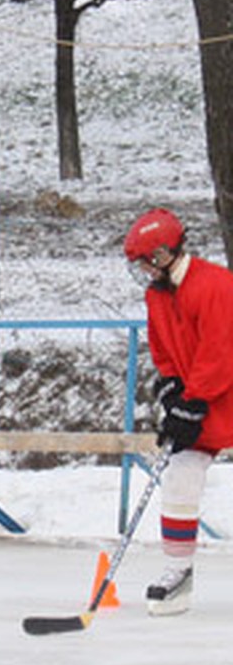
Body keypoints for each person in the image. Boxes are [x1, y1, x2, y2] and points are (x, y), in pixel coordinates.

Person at [124, 207, 233, 615]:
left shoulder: (216, 286)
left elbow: (220, 351)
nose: (142, 272)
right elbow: (163, 348)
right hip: (204, 402)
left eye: (145, 262)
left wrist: (194, 401)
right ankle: (178, 573)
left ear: (166, 253)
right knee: (181, 478)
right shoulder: (157, 294)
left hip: (220, 394)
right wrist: (172, 391)